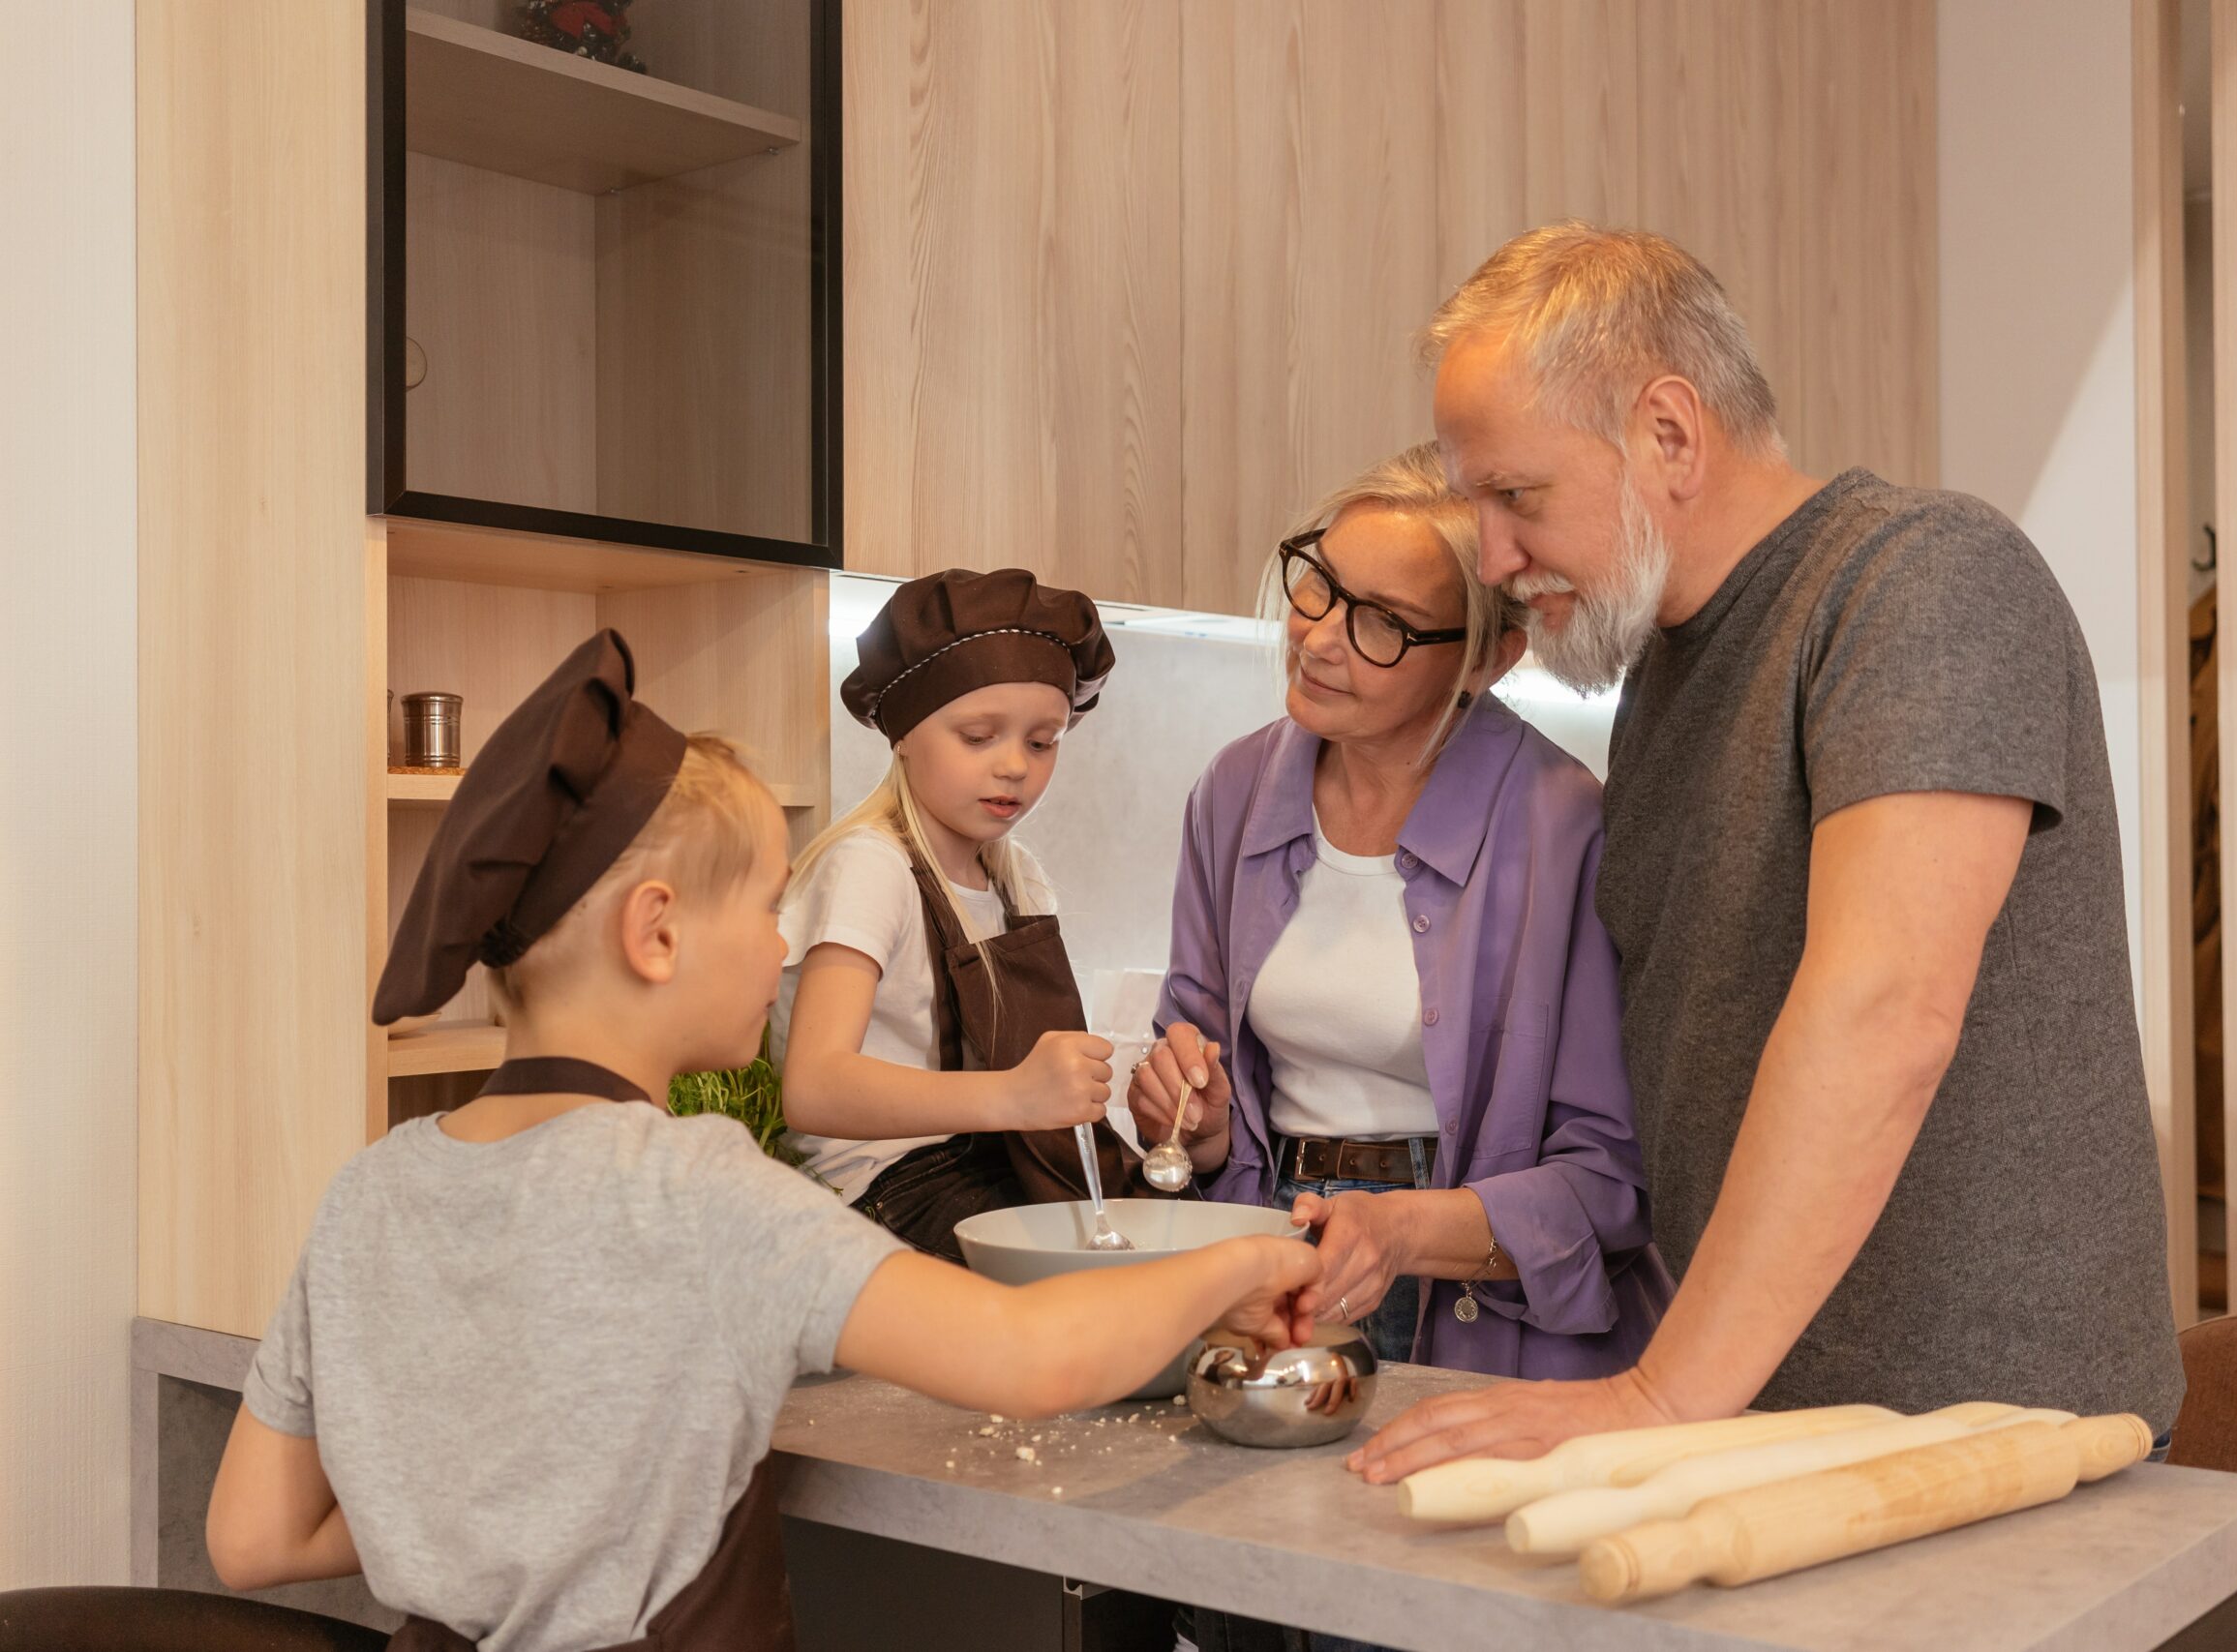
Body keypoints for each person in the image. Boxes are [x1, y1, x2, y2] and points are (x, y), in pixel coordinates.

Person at [205, 630, 1317, 1652]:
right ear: (656, 932)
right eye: (768, 906)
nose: (782, 944)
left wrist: (507, 1499)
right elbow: (1032, 1361)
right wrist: (1247, 1258)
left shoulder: (373, 1188)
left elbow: (253, 1539)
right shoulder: (692, 1188)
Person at [1353, 223, 2183, 1485]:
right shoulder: (1665, 680)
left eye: (1516, 496)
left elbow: (1886, 1010)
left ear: (1670, 435)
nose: (1497, 555)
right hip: (1776, 1429)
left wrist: (1658, 1392)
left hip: (1995, 1437)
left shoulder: (1919, 580)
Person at [1131, 441, 1665, 1383]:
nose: (1321, 637)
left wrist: (1402, 1231)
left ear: (1486, 659)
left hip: (1473, 1296)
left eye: (1383, 622)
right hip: (1274, 1275)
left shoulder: (1562, 825)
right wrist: (1196, 1123)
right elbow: (1201, 1092)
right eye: (1319, 588)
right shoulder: (1237, 789)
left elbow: (1612, 1179)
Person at [772, 569, 1148, 1263]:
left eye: (1043, 741)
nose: (1014, 766)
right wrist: (1012, 1096)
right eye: (978, 735)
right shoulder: (870, 866)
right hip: (883, 1190)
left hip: (998, 1163)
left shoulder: (1018, 879)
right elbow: (815, 1087)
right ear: (905, 733)